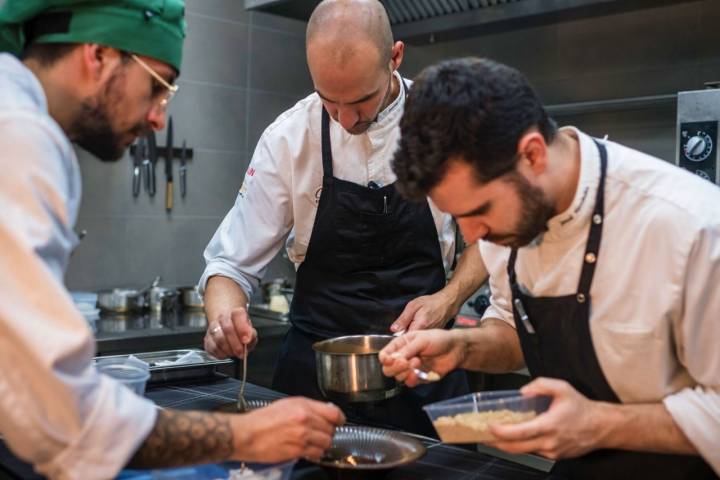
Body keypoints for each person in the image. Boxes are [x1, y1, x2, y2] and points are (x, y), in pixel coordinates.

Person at [0, 2, 344, 479]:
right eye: (158, 86)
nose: (160, 118)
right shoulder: (20, 137)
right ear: (97, 55)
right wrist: (246, 436)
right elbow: (65, 421)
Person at [379, 57, 720, 478]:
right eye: (458, 217)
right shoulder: (508, 224)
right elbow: (515, 333)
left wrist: (597, 425)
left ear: (533, 155)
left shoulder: (691, 229)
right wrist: (460, 349)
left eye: (480, 210)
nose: (474, 236)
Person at [200, 0, 486, 436]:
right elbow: (229, 266)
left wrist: (448, 299)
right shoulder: (288, 138)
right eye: (329, 101)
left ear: (396, 58)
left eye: (360, 100)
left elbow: (492, 239)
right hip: (315, 378)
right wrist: (223, 318)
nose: (346, 119)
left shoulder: (448, 126)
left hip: (426, 371)